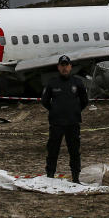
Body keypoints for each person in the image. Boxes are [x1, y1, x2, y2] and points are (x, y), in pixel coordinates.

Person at [40, 54, 88, 183]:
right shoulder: (52, 82)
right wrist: (55, 110)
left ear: (70, 66)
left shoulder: (77, 82)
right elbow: (44, 101)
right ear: (58, 67)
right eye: (62, 65)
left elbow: (84, 101)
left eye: (66, 65)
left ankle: (75, 177)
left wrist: (75, 110)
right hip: (56, 123)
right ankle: (50, 175)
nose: (64, 68)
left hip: (73, 122)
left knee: (74, 151)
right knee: (53, 150)